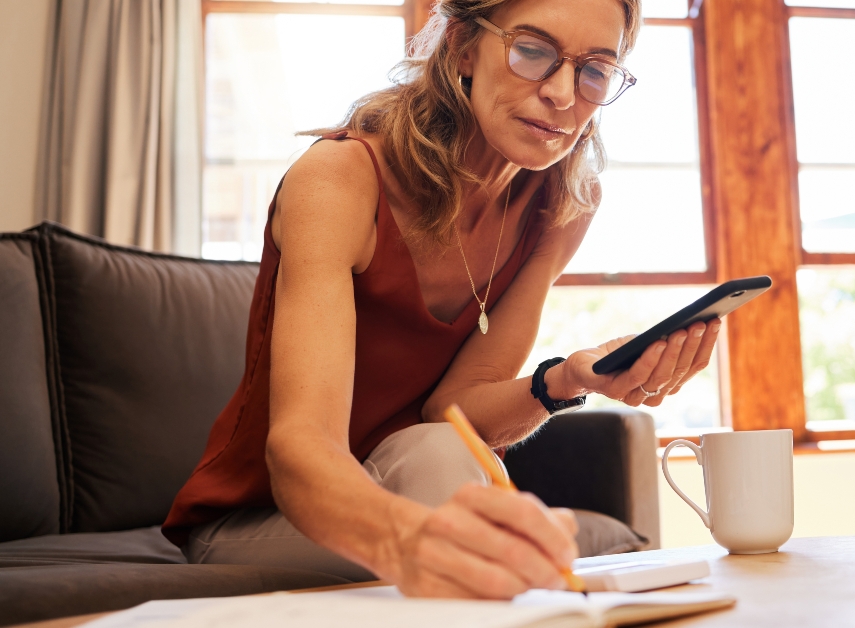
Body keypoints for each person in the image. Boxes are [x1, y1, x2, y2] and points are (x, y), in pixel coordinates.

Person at [162, 0, 720, 600]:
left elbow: (453, 410)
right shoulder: (339, 178)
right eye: (532, 51)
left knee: (440, 448)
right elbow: (302, 449)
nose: (563, 93)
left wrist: (568, 379)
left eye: (596, 70)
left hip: (414, 476)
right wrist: (418, 539)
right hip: (263, 515)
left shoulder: (563, 202)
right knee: (453, 502)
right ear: (461, 47)